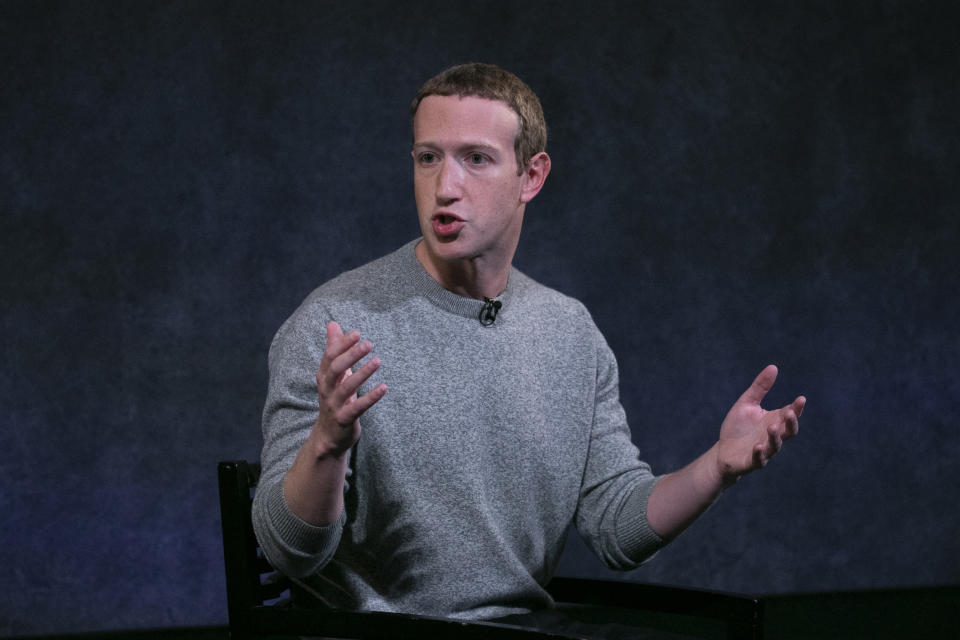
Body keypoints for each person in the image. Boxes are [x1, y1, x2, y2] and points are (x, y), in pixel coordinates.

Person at [252, 63, 804, 632]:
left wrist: (718, 467)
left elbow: (618, 528)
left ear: (531, 176)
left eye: (477, 158)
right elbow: (286, 552)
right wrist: (326, 443)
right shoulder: (333, 325)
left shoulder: (569, 333)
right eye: (428, 158)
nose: (445, 187)